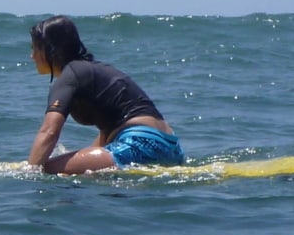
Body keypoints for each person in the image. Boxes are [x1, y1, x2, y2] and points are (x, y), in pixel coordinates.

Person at [25, 16, 181, 174]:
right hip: (172, 150)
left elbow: (49, 132)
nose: (32, 56)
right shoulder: (96, 70)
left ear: (51, 49)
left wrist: (30, 172)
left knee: (45, 169)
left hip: (138, 145)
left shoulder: (69, 75)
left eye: (35, 48)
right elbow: (108, 133)